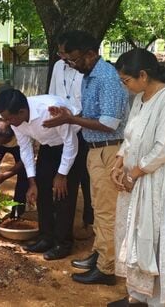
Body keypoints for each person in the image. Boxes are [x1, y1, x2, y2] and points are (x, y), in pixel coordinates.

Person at [108, 48, 165, 307]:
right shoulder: (140, 99)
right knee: (135, 233)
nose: (125, 87)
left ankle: (158, 300)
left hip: (158, 183)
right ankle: (137, 295)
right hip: (136, 180)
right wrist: (118, 164)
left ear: (143, 75)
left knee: (157, 239)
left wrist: (134, 174)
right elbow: (131, 137)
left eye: (126, 80)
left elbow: (164, 148)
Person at [42, 30, 129, 285]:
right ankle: (99, 254)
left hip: (108, 148)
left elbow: (110, 122)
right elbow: (90, 113)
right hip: (95, 149)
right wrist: (69, 112)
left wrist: (71, 119)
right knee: (99, 209)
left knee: (106, 211)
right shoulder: (90, 76)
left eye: (75, 59)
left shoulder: (106, 77)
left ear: (91, 53)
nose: (72, 65)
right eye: (68, 60)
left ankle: (106, 268)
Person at [0, 90, 81, 261]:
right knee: (42, 191)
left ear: (21, 112)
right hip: (48, 147)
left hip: (71, 144)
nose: (7, 123)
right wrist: (32, 182)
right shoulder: (16, 121)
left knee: (63, 194)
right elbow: (25, 149)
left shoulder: (50, 110)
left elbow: (71, 143)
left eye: (9, 118)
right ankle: (46, 237)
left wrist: (62, 175)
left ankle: (62, 243)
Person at [49, 32, 94, 234]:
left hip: (85, 129)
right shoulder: (58, 67)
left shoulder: (87, 70)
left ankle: (89, 218)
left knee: (87, 176)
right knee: (65, 174)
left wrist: (73, 117)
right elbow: (52, 95)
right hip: (63, 128)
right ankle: (61, 218)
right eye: (59, 53)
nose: (62, 57)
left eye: (65, 53)